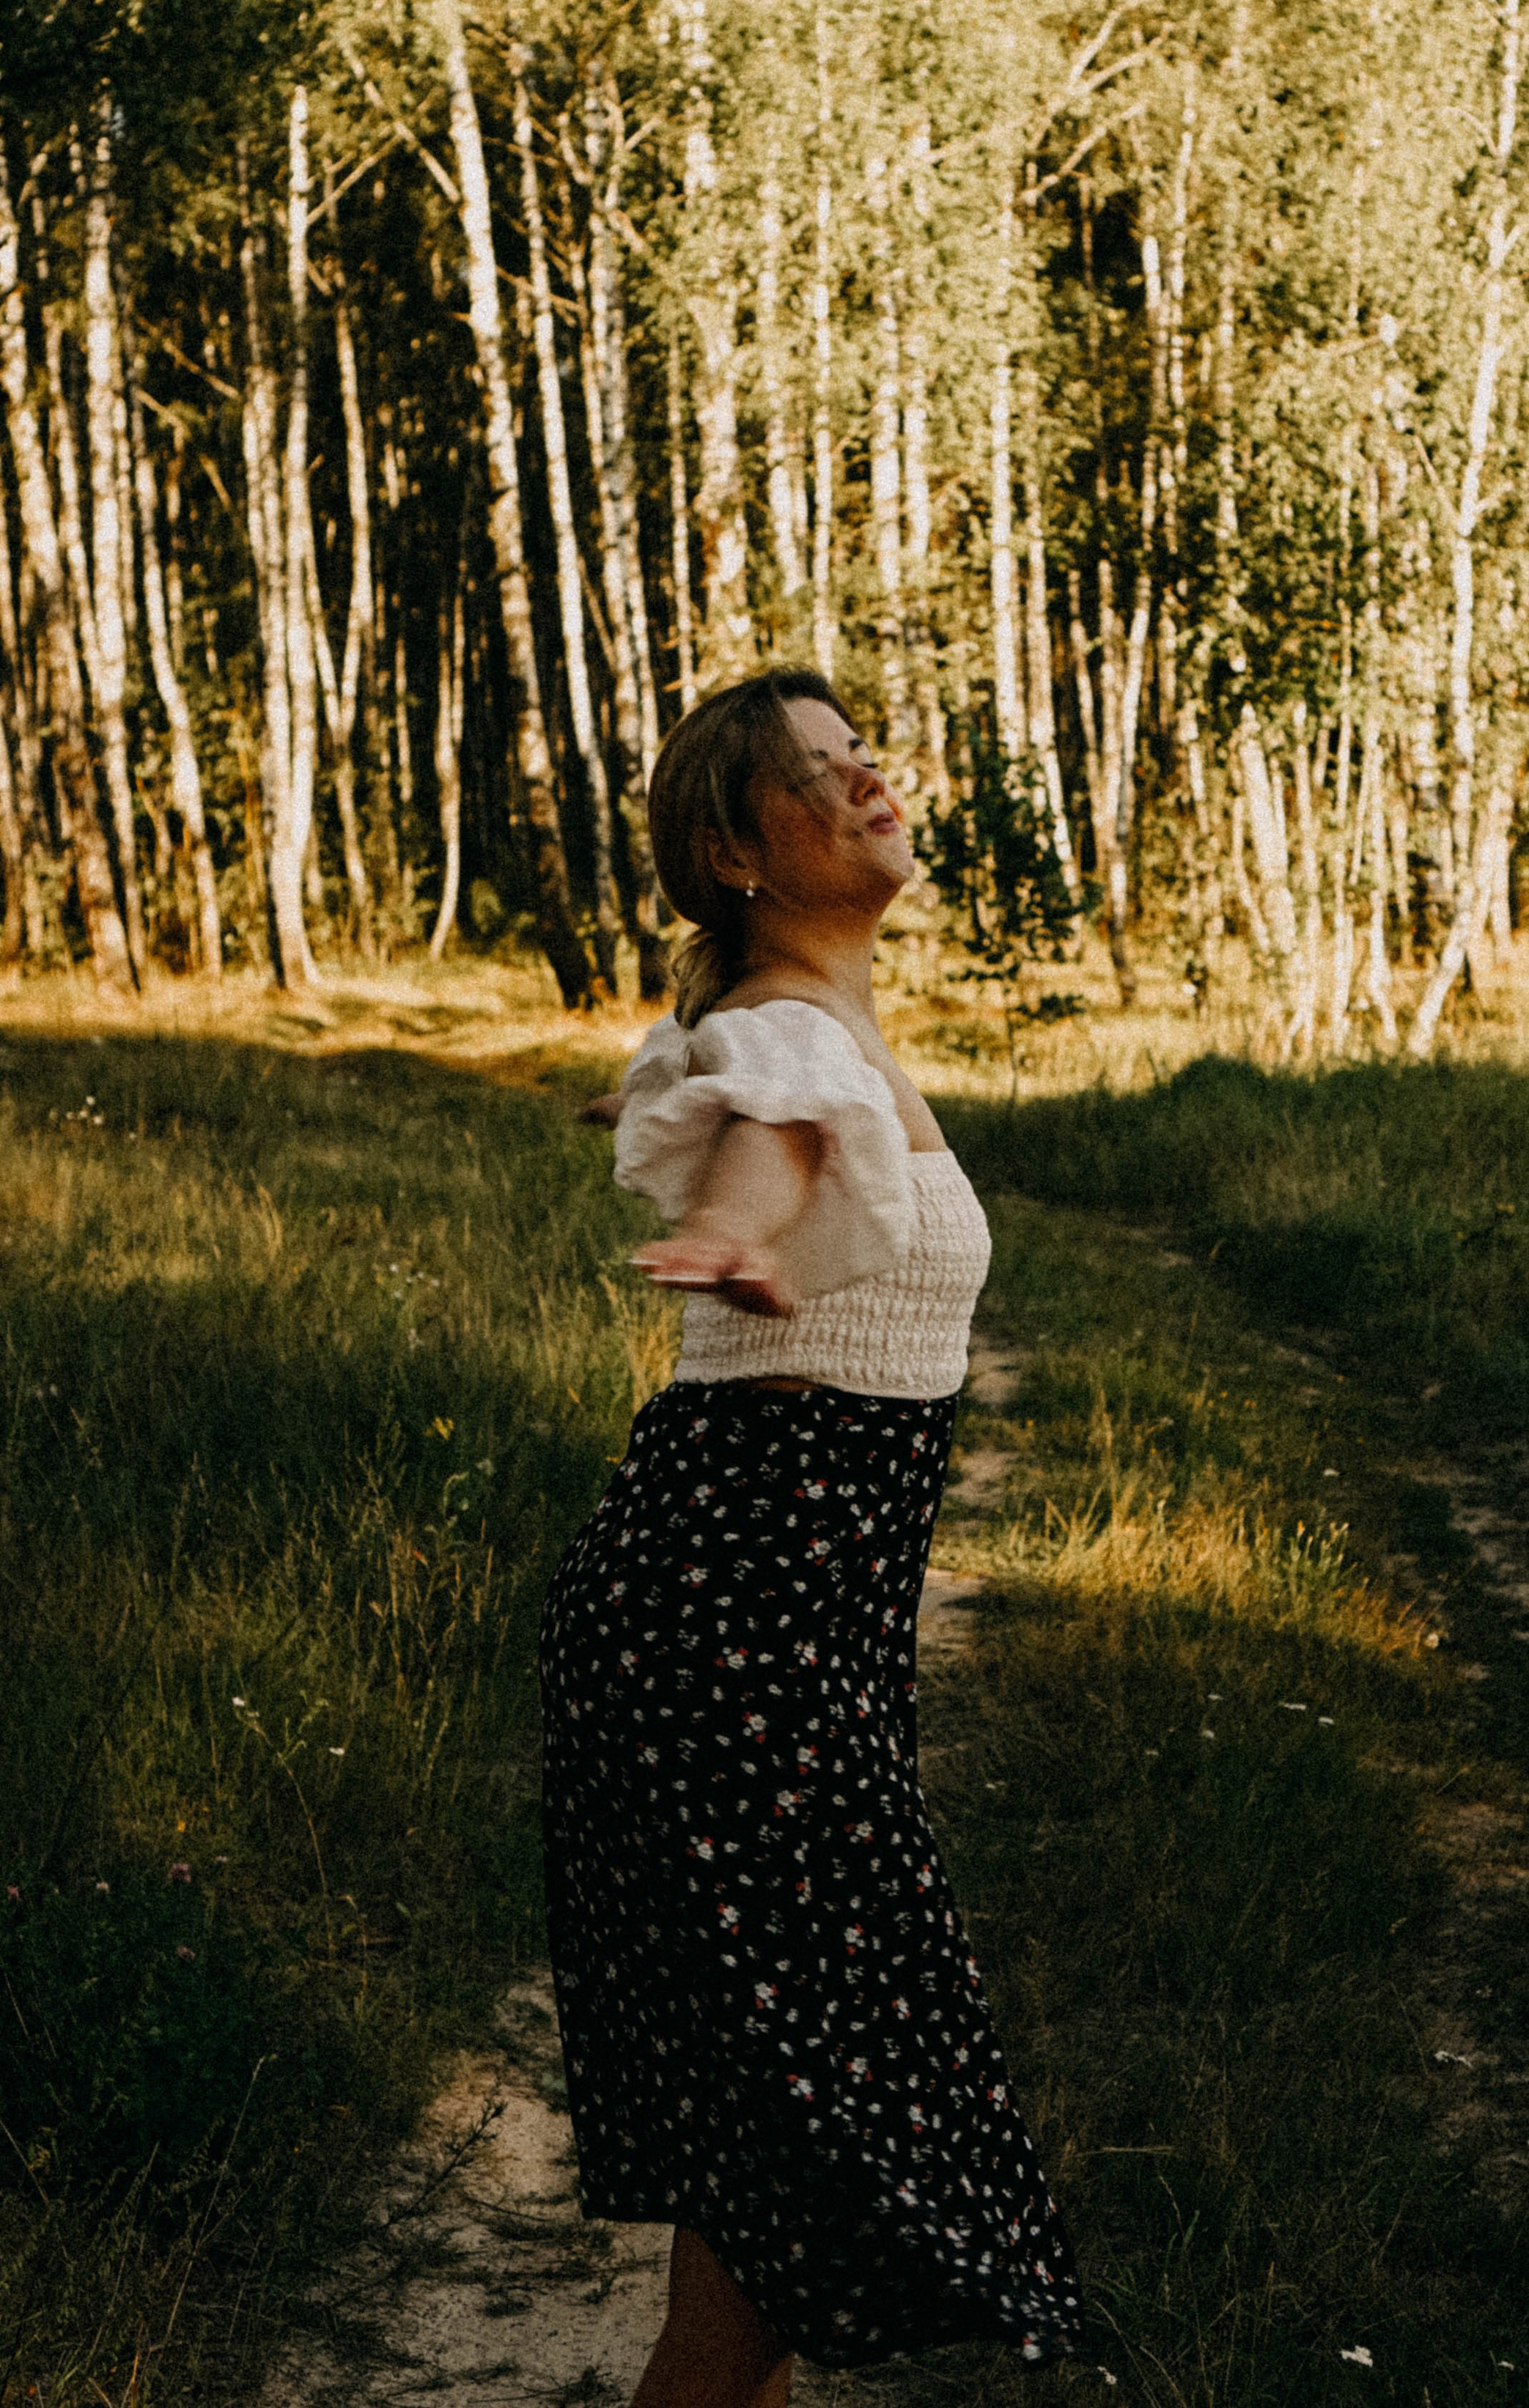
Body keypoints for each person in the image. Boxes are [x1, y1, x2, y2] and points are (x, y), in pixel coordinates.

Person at [540, 670, 1083, 2408]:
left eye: (866, 755)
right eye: (821, 771)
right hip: (729, 1647)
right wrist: (733, 1235)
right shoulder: (781, 1034)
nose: (870, 778)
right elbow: (767, 1161)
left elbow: (800, 1149)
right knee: (812, 2141)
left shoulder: (829, 1028)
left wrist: (755, 1227)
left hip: (780, 1648)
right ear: (735, 846)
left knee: (768, 2164)